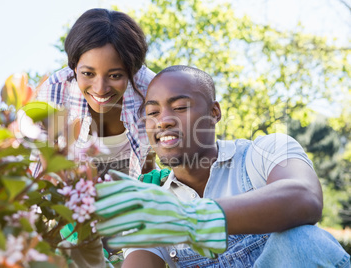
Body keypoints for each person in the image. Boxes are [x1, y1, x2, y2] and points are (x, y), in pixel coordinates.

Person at [94, 65, 351, 267]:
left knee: (300, 241)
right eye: (152, 113)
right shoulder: (155, 202)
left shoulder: (264, 152)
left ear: (214, 112)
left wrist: (185, 217)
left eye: (180, 107)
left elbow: (304, 197)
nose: (163, 121)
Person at [30, 8, 156, 267]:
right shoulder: (54, 93)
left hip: (127, 194)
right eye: (88, 74)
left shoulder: (149, 90)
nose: (100, 89)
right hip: (73, 199)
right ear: (74, 66)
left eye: (115, 75)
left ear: (132, 71)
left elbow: (155, 157)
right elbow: (37, 169)